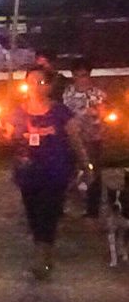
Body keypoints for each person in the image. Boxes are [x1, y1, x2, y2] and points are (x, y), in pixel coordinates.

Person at [0, 67, 89, 279]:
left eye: (41, 83)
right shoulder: (17, 112)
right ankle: (44, 252)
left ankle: (42, 259)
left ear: (49, 86)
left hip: (54, 172)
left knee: (48, 213)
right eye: (31, 82)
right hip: (28, 173)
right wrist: (4, 135)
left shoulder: (60, 112)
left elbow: (75, 140)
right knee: (33, 214)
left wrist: (86, 165)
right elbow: (10, 139)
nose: (36, 87)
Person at [62, 59, 108, 218]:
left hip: (91, 139)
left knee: (92, 172)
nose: (81, 79)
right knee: (69, 172)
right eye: (77, 75)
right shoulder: (67, 92)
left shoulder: (97, 94)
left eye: (84, 75)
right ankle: (68, 204)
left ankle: (92, 209)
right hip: (71, 138)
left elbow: (102, 114)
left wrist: (94, 114)